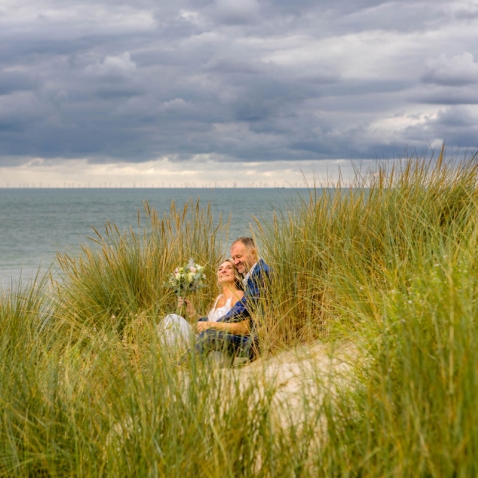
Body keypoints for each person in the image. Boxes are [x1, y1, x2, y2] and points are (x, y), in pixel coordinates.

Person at [194, 237, 271, 361]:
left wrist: (213, 324)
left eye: (239, 257)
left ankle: (183, 367)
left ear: (253, 253)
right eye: (234, 258)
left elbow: (243, 309)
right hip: (246, 338)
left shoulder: (261, 273)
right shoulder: (251, 276)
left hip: (257, 343)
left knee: (209, 336)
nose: (235, 262)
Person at [157, 259, 244, 352]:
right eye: (220, 269)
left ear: (236, 275)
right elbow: (210, 321)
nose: (223, 270)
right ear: (218, 278)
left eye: (229, 268)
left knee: (172, 319)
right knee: (171, 319)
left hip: (218, 347)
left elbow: (243, 328)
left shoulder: (238, 295)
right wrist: (192, 313)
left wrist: (210, 325)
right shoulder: (219, 298)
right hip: (205, 341)